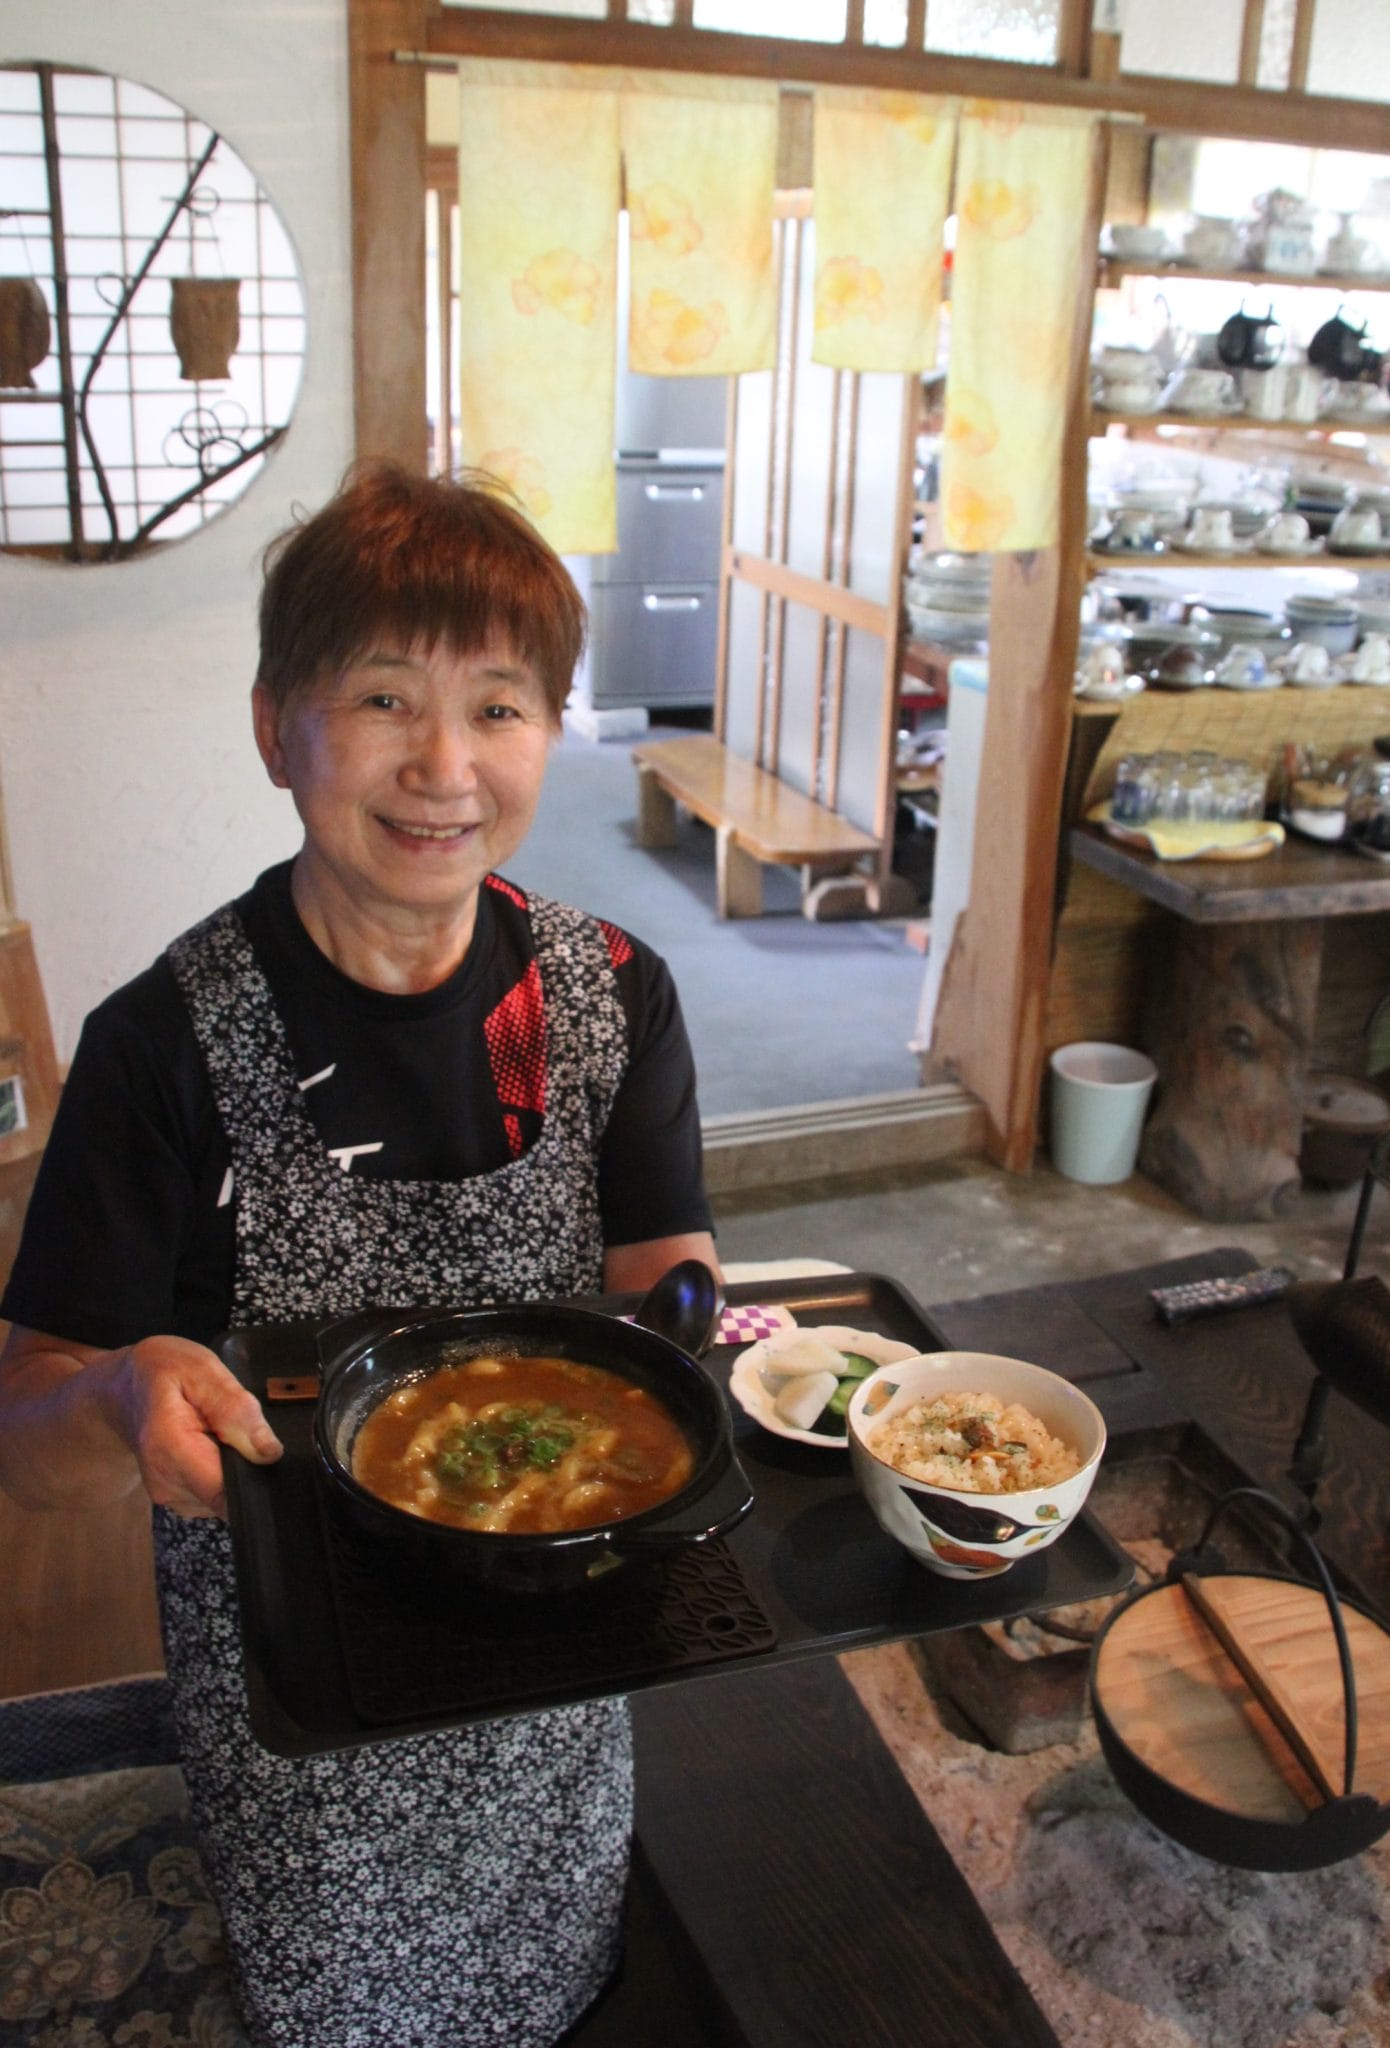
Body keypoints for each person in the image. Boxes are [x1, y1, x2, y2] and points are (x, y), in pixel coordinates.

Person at [0, 463, 720, 2048]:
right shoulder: (163, 1047)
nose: (443, 765)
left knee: (561, 1953)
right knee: (348, 1997)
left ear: (552, 730)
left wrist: (696, 1331)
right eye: (382, 697)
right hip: (304, 1687)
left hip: (560, 1612)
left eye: (500, 706)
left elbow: (662, 1273)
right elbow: (27, 1433)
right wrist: (120, 1402)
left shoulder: (608, 997)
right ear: (278, 728)